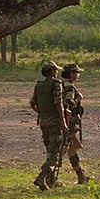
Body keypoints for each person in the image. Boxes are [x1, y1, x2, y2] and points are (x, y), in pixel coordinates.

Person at [30, 61, 68, 190]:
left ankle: (50, 181)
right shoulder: (56, 84)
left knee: (49, 151)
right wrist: (63, 121)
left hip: (43, 121)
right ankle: (41, 178)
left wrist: (42, 113)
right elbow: (59, 103)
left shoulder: (39, 85)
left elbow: (32, 103)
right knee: (55, 154)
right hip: (54, 123)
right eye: (55, 70)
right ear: (53, 71)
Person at [61, 63, 89, 184]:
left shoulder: (61, 85)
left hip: (66, 121)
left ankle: (81, 175)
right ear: (71, 74)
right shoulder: (69, 88)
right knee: (63, 149)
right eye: (76, 72)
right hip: (69, 121)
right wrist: (78, 99)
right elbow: (69, 104)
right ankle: (48, 175)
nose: (78, 75)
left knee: (71, 149)